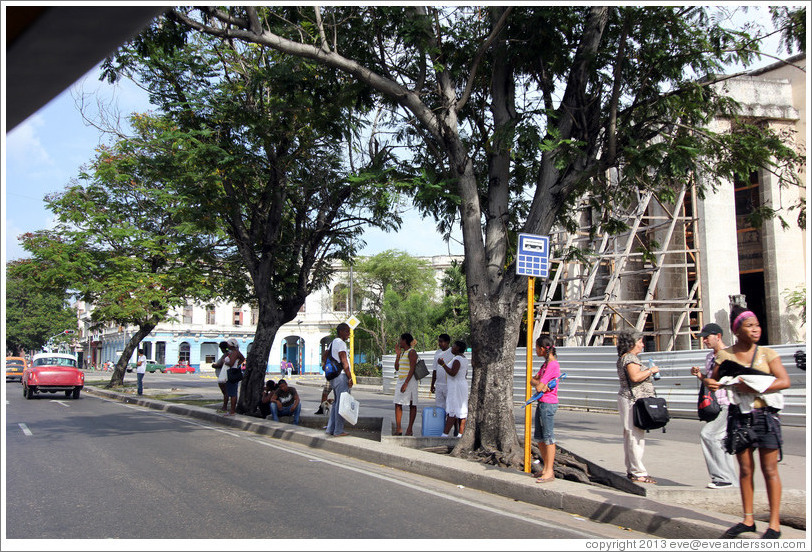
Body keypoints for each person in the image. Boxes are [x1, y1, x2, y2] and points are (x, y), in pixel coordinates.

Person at [707, 307, 790, 539]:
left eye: (757, 325)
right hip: (740, 417)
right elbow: (713, 381)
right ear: (737, 331)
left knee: (770, 470)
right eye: (749, 326)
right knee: (745, 470)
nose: (755, 329)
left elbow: (784, 381)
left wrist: (754, 385)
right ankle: (748, 519)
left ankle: (774, 524)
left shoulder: (768, 354)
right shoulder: (725, 356)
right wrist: (714, 383)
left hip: (765, 417)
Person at [690, 323, 738, 489]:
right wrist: (700, 376)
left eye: (707, 337)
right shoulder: (710, 357)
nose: (704, 341)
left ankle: (722, 477)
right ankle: (732, 483)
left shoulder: (730, 355)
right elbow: (712, 381)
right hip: (716, 405)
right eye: (703, 338)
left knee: (708, 435)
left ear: (718, 336)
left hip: (728, 404)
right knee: (722, 442)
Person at [616, 330, 660, 484]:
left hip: (628, 399)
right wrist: (651, 371)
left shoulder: (625, 357)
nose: (642, 345)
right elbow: (635, 377)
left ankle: (632, 469)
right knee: (635, 435)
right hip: (632, 400)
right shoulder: (630, 358)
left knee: (631, 434)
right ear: (632, 343)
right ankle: (638, 472)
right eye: (640, 342)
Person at [531, 336, 561, 483]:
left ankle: (549, 471)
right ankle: (545, 468)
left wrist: (540, 384)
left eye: (536, 347)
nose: (535, 350)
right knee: (540, 438)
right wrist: (540, 384)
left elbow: (538, 385)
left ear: (543, 349)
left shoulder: (552, 365)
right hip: (541, 402)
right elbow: (533, 381)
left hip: (548, 403)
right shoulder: (545, 365)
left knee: (548, 437)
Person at [324, 323, 353, 436]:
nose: (349, 334)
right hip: (341, 376)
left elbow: (324, 356)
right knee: (342, 404)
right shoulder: (340, 343)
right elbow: (344, 360)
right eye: (347, 331)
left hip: (333, 377)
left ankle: (330, 429)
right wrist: (350, 377)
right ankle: (338, 431)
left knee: (336, 403)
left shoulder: (332, 343)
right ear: (341, 331)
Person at [438, 340, 469, 438]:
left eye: (454, 346)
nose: (452, 347)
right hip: (462, 385)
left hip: (455, 387)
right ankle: (460, 434)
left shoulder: (457, 359)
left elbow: (453, 373)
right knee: (461, 409)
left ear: (458, 348)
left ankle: (445, 434)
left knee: (452, 410)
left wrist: (443, 364)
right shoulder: (464, 359)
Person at [393, 332, 419, 436]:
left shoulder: (412, 352)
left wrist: (406, 383)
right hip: (401, 379)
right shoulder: (403, 353)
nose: (399, 341)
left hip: (410, 381)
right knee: (398, 403)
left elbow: (412, 368)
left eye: (401, 339)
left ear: (405, 340)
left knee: (412, 404)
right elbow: (397, 367)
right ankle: (399, 428)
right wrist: (398, 355)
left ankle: (409, 429)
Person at [430, 333, 454, 415]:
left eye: (441, 342)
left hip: (449, 384)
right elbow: (434, 369)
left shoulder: (452, 352)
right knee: (440, 408)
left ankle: (455, 427)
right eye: (439, 341)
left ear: (447, 342)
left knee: (450, 408)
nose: (439, 344)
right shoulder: (437, 353)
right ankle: (441, 426)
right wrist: (432, 384)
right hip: (439, 384)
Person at [222, 337, 245, 417]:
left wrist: (225, 362)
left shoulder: (234, 353)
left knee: (232, 393)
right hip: (233, 371)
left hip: (231, 372)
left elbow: (231, 363)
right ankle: (232, 410)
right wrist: (238, 364)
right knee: (231, 391)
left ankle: (232, 410)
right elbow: (242, 358)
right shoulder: (236, 352)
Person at [212, 341, 230, 412]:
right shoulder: (226, 354)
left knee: (226, 392)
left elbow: (222, 364)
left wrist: (214, 365)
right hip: (222, 375)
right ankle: (225, 406)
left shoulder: (226, 355)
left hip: (224, 376)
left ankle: (225, 407)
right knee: (225, 392)